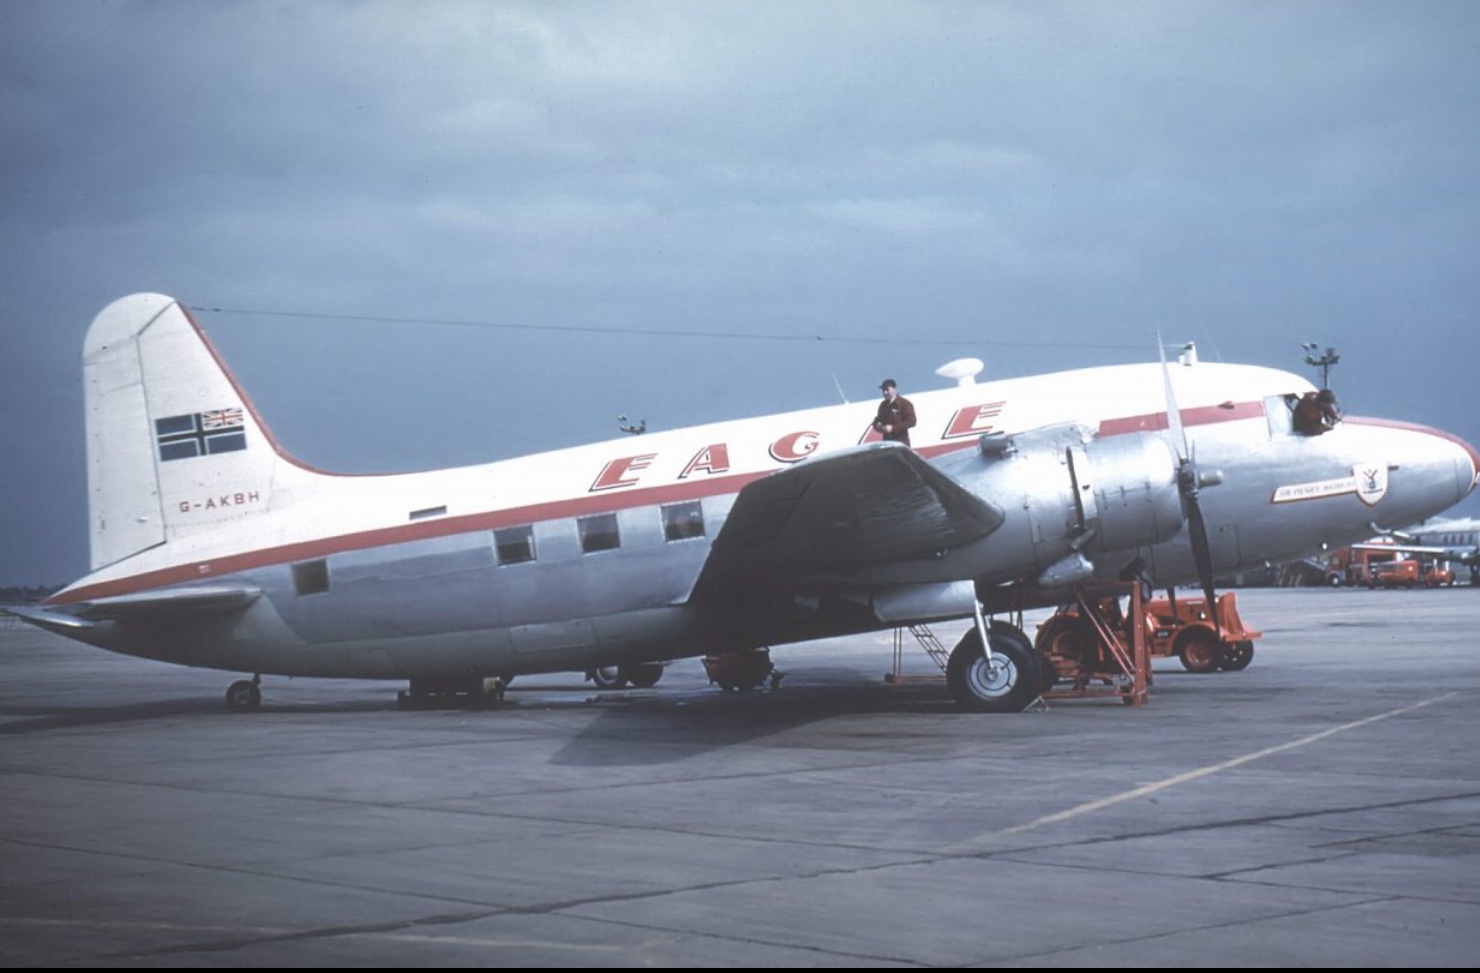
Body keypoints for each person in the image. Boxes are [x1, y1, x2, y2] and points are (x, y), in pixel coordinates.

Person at [873, 379, 917, 445]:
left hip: (901, 444)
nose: (885, 392)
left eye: (887, 390)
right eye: (883, 390)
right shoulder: (883, 405)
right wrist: (879, 426)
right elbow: (877, 421)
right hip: (887, 444)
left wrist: (893, 428)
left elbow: (912, 421)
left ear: (894, 389)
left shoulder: (904, 404)